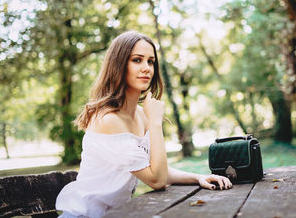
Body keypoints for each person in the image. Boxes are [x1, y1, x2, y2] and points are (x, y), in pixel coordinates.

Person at [56, 31, 232, 218]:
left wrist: (198, 177)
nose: (147, 68)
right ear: (119, 64)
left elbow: (157, 171)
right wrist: (156, 123)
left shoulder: (141, 115)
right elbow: (157, 180)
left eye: (151, 61)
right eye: (137, 60)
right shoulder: (108, 120)